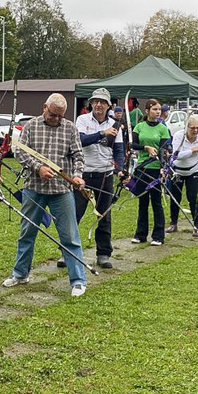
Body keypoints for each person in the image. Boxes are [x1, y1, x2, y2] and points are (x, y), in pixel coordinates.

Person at [3, 93, 88, 297]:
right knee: (27, 234)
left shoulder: (70, 128)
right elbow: (20, 152)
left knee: (70, 237)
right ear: (44, 108)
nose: (57, 119)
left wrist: (77, 176)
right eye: (53, 115)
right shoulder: (31, 126)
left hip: (61, 191)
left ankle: (78, 281)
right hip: (33, 189)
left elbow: (78, 156)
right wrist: (38, 167)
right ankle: (20, 274)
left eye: (61, 116)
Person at [73, 88, 124, 268]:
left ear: (109, 105)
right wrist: (102, 133)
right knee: (74, 214)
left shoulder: (115, 125)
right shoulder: (82, 120)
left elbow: (118, 151)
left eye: (102, 102)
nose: (98, 105)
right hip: (83, 175)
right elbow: (80, 141)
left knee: (104, 216)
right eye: (95, 101)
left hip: (105, 175)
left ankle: (103, 254)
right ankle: (68, 253)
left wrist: (120, 170)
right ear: (91, 104)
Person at [130, 99, 170, 244]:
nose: (158, 112)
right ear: (147, 111)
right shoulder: (139, 127)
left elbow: (165, 149)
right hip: (142, 167)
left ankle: (158, 236)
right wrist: (145, 148)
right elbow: (133, 144)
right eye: (154, 109)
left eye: (159, 109)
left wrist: (163, 168)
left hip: (155, 169)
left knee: (156, 202)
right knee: (143, 201)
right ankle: (140, 234)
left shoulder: (163, 128)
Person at [165, 115, 198, 235]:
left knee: (192, 198)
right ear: (187, 127)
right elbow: (176, 155)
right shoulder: (178, 136)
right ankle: (173, 223)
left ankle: (196, 225)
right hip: (177, 171)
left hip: (193, 171)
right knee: (175, 198)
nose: (196, 130)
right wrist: (193, 150)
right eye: (192, 128)